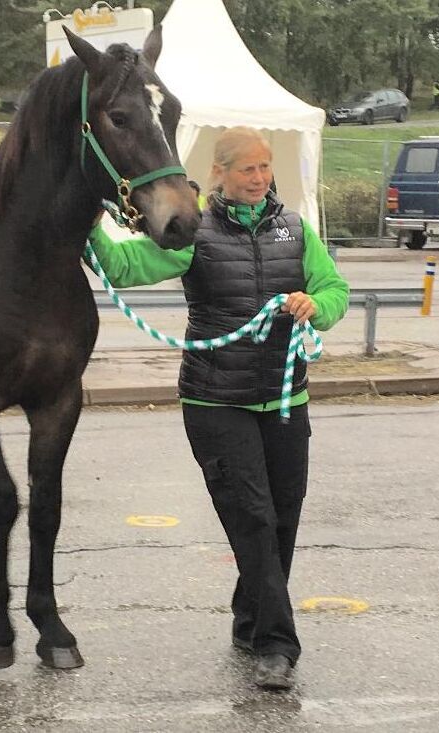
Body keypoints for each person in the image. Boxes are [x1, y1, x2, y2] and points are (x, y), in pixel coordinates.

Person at [87, 127, 350, 691]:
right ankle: (276, 644)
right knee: (252, 517)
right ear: (221, 174)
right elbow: (125, 266)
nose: (260, 178)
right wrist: (88, 220)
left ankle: (250, 616)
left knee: (282, 518)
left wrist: (315, 304)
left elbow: (336, 292)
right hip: (215, 401)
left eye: (265, 168)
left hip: (285, 399)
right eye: (248, 169)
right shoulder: (195, 231)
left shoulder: (296, 230)